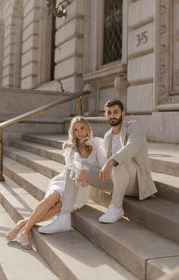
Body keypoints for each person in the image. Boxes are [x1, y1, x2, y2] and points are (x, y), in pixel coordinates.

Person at [38, 98, 157, 233]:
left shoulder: (133, 127)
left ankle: (116, 207)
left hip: (135, 182)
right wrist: (78, 149)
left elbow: (133, 147)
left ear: (123, 114)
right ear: (105, 116)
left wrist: (112, 161)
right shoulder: (108, 136)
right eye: (109, 113)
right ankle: (64, 217)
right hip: (115, 181)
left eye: (116, 112)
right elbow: (98, 150)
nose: (112, 116)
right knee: (76, 169)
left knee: (118, 162)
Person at [5, 116, 106, 249]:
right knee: (53, 197)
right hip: (64, 180)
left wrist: (91, 152)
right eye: (76, 130)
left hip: (80, 188)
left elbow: (102, 166)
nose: (80, 132)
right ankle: (26, 231)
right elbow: (72, 164)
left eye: (82, 128)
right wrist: (80, 164)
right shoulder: (71, 147)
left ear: (87, 128)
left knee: (58, 207)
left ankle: (22, 224)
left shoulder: (95, 147)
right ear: (73, 133)